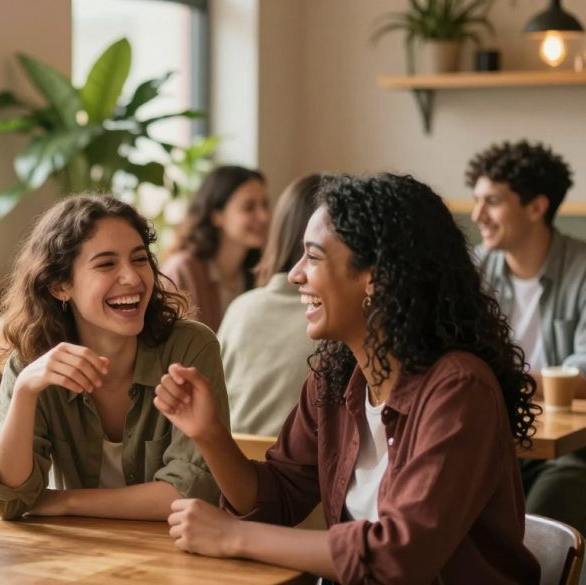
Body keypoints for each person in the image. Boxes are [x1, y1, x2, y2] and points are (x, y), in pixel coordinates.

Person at [154, 174, 541, 583]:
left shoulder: (460, 389)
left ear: (375, 276)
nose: (294, 275)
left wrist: (234, 537)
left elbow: (399, 556)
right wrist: (211, 435)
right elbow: (278, 498)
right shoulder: (337, 379)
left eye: (314, 257)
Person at [0, 195, 228, 521]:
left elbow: (192, 491)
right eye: (107, 264)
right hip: (73, 558)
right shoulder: (31, 363)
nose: (133, 278)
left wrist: (64, 502)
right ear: (60, 285)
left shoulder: (190, 348)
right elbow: (8, 499)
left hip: (177, 555)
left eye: (140, 259)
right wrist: (24, 391)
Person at [467, 139, 586, 538]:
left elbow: (583, 374)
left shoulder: (582, 270)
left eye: (492, 201)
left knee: (537, 539)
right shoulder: (475, 271)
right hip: (492, 441)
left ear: (537, 207)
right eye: (477, 200)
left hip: (571, 453)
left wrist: (499, 384)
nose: (477, 214)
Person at [218, 174, 321, 436]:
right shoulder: (333, 322)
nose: (262, 217)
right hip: (294, 472)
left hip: (228, 463)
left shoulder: (240, 308)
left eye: (266, 206)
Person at [161, 165, 269, 331]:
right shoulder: (182, 271)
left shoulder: (259, 272)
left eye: (265, 205)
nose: (264, 216)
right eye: (249, 207)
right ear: (217, 215)